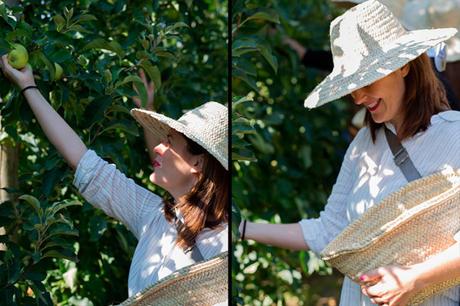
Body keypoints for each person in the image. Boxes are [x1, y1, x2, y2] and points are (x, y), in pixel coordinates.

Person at [240, 1, 460, 305]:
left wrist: (412, 280)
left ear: (403, 65)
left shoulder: (454, 136)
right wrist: (241, 229)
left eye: (366, 81)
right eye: (351, 86)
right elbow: (329, 230)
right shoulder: (363, 146)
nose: (358, 97)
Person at [0, 56, 229, 301]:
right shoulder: (155, 217)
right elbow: (86, 164)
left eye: (169, 143)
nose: (158, 148)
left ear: (198, 163)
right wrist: (29, 86)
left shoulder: (222, 244)